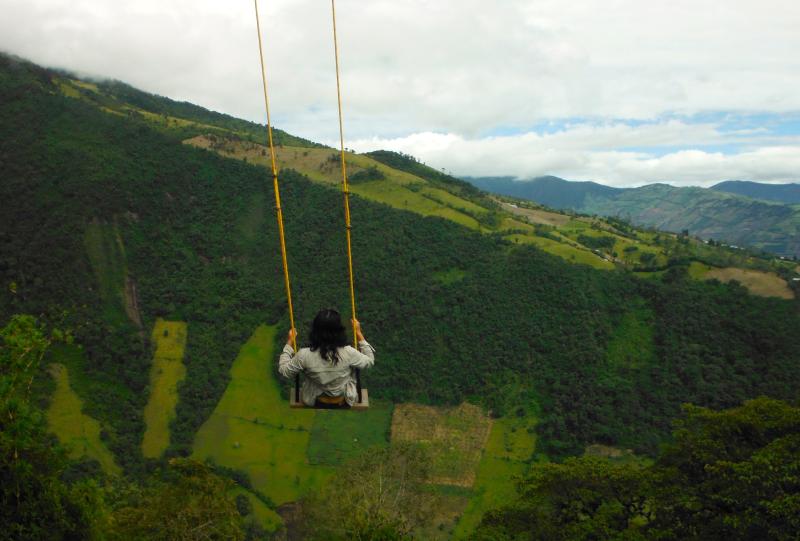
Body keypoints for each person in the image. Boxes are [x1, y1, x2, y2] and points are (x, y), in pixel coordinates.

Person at [278, 308, 375, 408]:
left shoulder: (304, 355)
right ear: (339, 330)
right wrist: (359, 334)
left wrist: (289, 342)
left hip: (315, 401)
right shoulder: (349, 352)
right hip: (344, 400)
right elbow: (369, 361)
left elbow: (284, 370)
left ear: (315, 331)